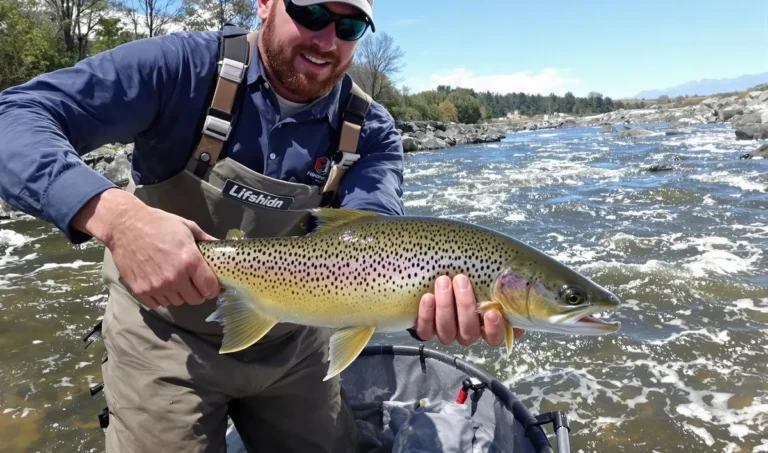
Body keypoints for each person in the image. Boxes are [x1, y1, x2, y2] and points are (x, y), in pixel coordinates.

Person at [0, 0, 522, 451]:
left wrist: (421, 309)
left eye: (349, 27)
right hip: (164, 336)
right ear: (265, 4)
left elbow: (379, 238)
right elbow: (15, 116)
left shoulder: (370, 130)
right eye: (312, 12)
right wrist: (116, 216)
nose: (326, 39)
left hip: (295, 342)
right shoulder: (181, 68)